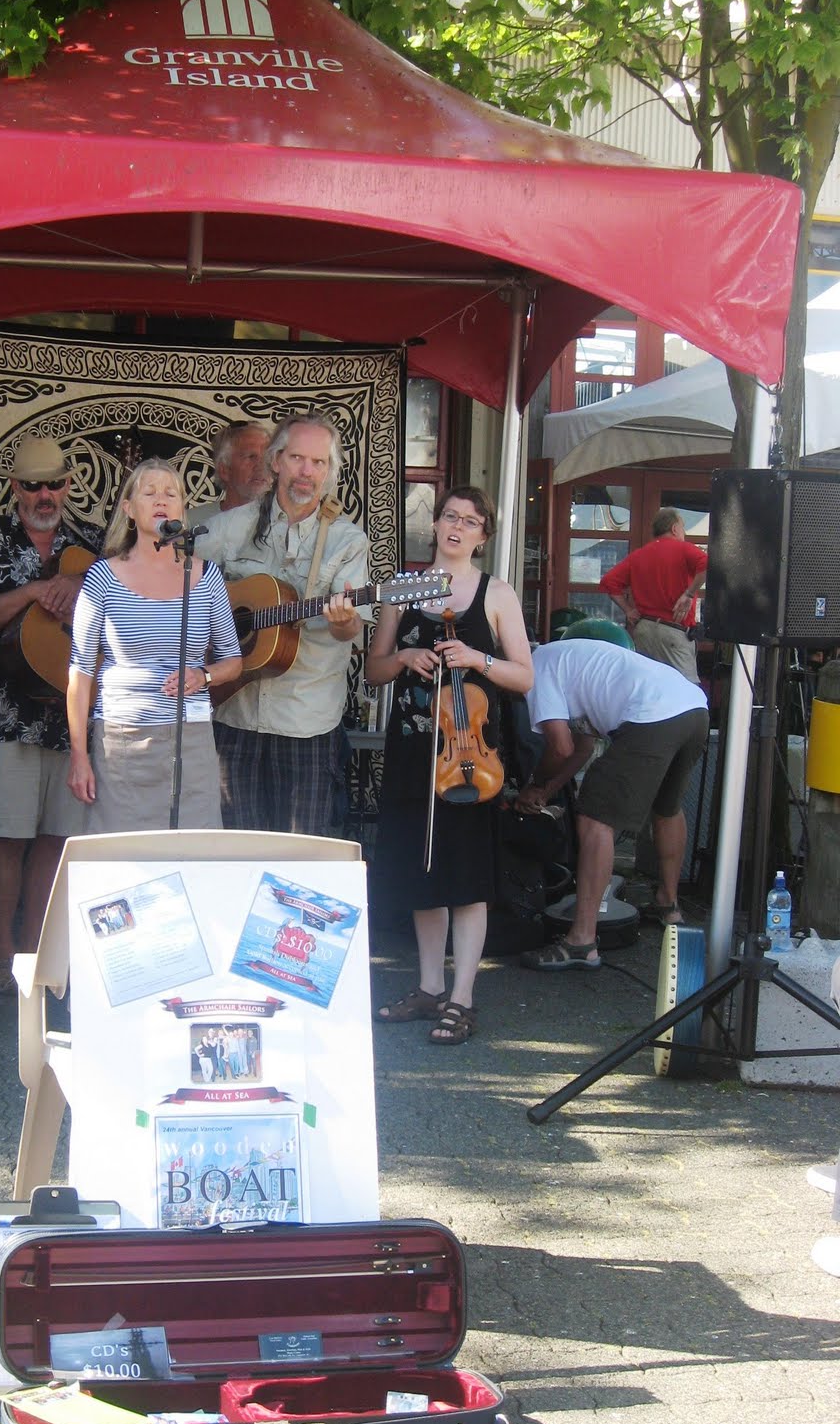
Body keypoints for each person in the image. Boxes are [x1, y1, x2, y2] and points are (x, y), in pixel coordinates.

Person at [369, 487, 533, 1046]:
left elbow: (523, 676)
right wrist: (403, 657)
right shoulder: (403, 587)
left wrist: (478, 658)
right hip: (415, 749)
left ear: (483, 535)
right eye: (449, 517)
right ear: (436, 524)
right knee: (424, 873)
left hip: (470, 757)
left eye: (470, 521)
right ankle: (429, 986)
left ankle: (462, 997)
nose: (457, 527)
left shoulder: (497, 593)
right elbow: (374, 670)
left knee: (467, 878)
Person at [0, 436, 102, 992]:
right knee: (9, 838)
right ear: (16, 486)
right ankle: (1, 953)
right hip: (9, 713)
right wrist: (37, 590)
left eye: (55, 484)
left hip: (71, 717)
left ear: (68, 485)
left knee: (55, 839)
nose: (46, 495)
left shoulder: (90, 543)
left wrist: (80, 582)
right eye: (34, 485)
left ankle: (35, 952)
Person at [198, 412, 369, 834]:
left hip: (306, 721)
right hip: (233, 713)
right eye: (297, 458)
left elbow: (351, 632)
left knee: (299, 855)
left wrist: (344, 620)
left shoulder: (347, 542)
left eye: (318, 462)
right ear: (275, 461)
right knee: (235, 850)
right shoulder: (224, 529)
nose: (306, 471)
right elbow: (172, 588)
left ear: (328, 472)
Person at [67, 458, 242, 830]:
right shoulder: (103, 576)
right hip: (122, 740)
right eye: (149, 492)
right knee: (124, 855)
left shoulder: (207, 575)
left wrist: (204, 675)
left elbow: (233, 660)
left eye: (170, 493)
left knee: (194, 851)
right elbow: (80, 673)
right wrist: (79, 756)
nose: (161, 500)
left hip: (191, 740)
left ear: (182, 509)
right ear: (129, 509)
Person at [517, 634, 709, 969]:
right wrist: (548, 791)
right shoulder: (567, 659)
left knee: (595, 816)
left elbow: (560, 748)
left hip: (652, 715)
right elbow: (581, 749)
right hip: (693, 708)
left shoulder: (536, 669)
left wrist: (533, 785)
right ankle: (668, 905)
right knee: (666, 806)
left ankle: (581, 941)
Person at [599, 508, 707, 681]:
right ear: (674, 529)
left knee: (647, 686)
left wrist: (628, 610)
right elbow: (708, 565)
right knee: (687, 690)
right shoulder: (684, 549)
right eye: (683, 527)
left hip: (644, 630)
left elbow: (608, 581)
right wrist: (689, 594)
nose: (684, 533)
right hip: (674, 631)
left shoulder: (638, 555)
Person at [187, 420, 271, 525]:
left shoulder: (286, 526)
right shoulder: (189, 524)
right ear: (224, 470)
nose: (262, 466)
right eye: (251, 457)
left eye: (268, 457)